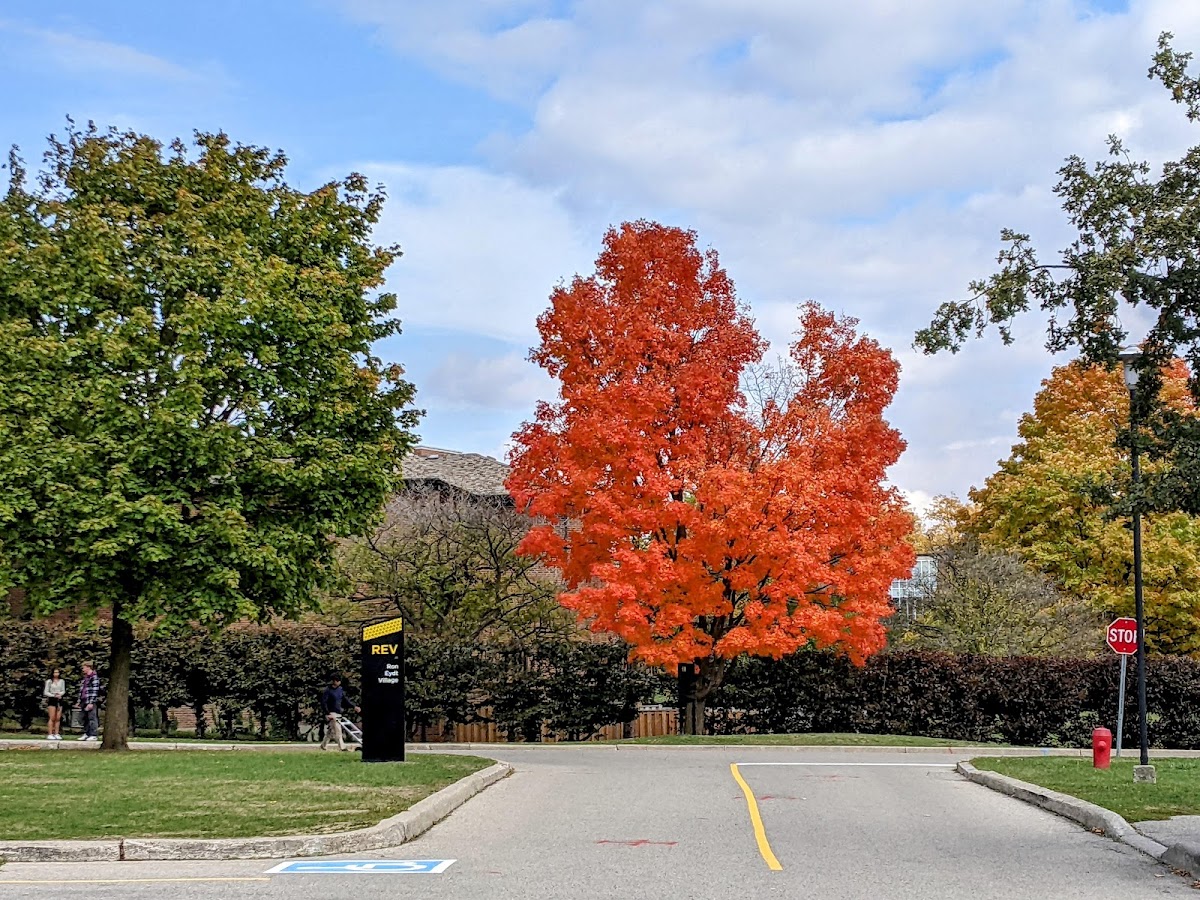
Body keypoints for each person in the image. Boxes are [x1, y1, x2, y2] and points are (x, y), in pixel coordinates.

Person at [319, 674, 359, 751]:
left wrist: (354, 706)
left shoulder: (340, 690)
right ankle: (342, 747)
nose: (339, 682)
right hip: (331, 713)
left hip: (338, 713)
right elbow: (323, 703)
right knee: (338, 730)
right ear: (334, 681)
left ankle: (323, 746)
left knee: (330, 732)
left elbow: (345, 700)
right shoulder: (328, 691)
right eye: (337, 681)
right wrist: (327, 713)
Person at [78, 661, 101, 742]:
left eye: (84, 667)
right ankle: (86, 733)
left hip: (90, 700)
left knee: (92, 717)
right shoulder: (86, 678)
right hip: (84, 700)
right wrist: (79, 700)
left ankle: (93, 734)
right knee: (84, 718)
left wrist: (91, 702)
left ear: (88, 667)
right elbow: (82, 690)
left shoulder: (94, 677)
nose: (83, 669)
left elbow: (95, 690)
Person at [43, 668, 66, 741]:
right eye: (55, 672)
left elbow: (63, 690)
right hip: (52, 699)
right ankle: (50, 733)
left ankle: (57, 733)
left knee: (58, 717)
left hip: (59, 699)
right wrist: (53, 695)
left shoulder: (62, 681)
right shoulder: (49, 681)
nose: (56, 674)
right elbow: (46, 692)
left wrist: (60, 694)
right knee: (52, 717)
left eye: (58, 672)